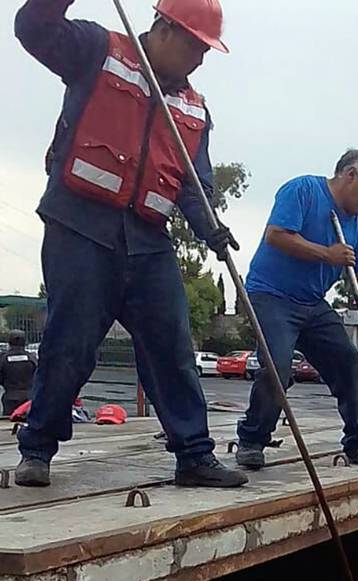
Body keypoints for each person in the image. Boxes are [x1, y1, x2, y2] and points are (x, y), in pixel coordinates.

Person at [14, 0, 246, 488]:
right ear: (163, 27)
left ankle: (194, 455)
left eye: (206, 51)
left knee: (172, 345)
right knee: (70, 343)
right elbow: (34, 28)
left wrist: (212, 230)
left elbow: (192, 184)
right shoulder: (97, 50)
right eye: (195, 46)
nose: (200, 60)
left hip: (147, 239)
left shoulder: (194, 109)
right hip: (79, 224)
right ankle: (37, 448)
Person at [235, 150, 358, 469]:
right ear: (350, 174)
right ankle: (252, 439)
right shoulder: (303, 190)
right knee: (276, 368)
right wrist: (327, 254)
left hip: (313, 304)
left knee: (349, 364)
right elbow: (276, 236)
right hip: (270, 295)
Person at [0, 331, 37, 417]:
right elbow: (38, 375)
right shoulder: (32, 358)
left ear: (9, 342)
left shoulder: (3, 359)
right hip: (28, 398)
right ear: (24, 343)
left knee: (9, 423)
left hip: (10, 397)